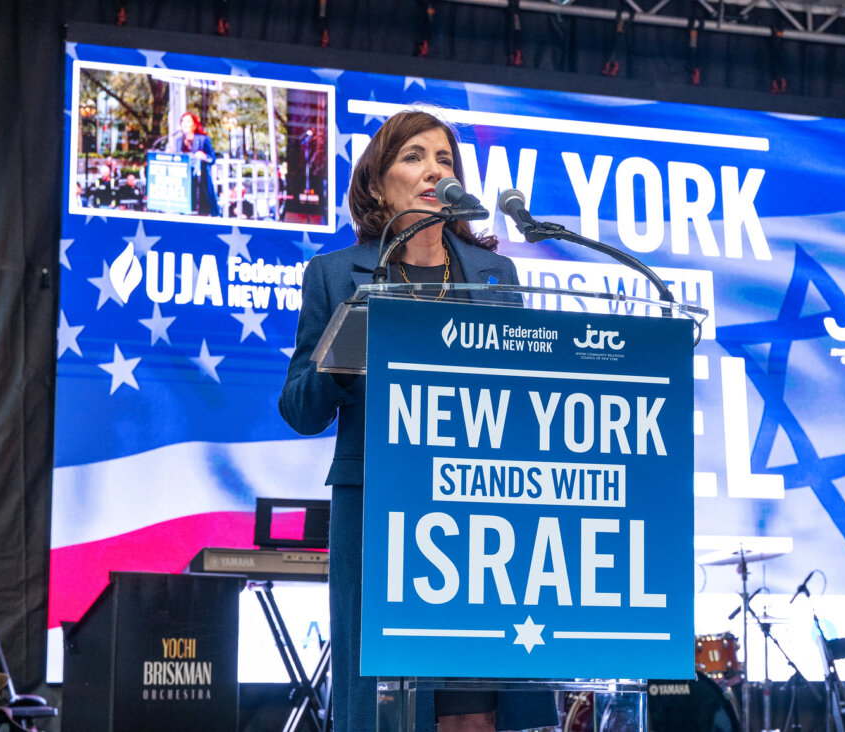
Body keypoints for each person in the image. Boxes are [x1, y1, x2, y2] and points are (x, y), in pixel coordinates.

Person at [279, 110, 559, 732]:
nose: (435, 169)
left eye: (445, 159)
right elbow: (299, 407)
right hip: (380, 508)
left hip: (482, 510)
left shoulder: (494, 276)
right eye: (414, 156)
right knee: (388, 705)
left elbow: (524, 391)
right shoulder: (334, 274)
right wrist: (343, 358)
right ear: (377, 185)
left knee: (474, 707)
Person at [167, 112, 220, 216]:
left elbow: (212, 159)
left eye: (188, 121)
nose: (184, 124)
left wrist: (204, 156)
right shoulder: (178, 141)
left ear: (195, 124)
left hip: (201, 181)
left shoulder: (203, 139)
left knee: (204, 210)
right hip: (184, 181)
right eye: (182, 121)